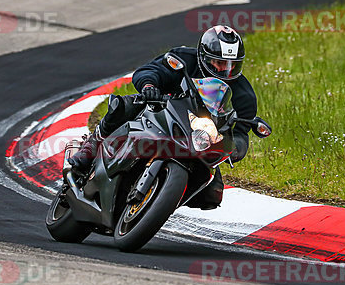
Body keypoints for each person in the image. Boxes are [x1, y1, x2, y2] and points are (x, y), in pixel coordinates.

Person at [66, 25, 258, 209]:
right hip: (162, 109)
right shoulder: (182, 58)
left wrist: (235, 147)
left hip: (199, 137)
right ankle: (92, 145)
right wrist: (149, 87)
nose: (226, 70)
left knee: (212, 194)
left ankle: (163, 199)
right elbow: (149, 71)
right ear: (203, 56)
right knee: (126, 105)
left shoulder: (245, 96)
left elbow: (242, 132)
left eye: (232, 65)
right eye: (220, 63)